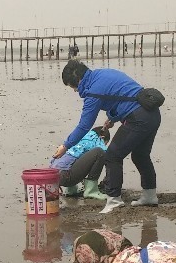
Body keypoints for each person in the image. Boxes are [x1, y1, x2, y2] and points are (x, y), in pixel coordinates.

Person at [54, 60, 161, 214]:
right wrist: (112, 118)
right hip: (152, 114)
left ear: (78, 80)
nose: (74, 91)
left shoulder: (92, 92)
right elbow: (123, 95)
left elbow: (84, 126)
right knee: (141, 156)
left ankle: (114, 200)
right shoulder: (103, 74)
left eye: (72, 87)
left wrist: (65, 145)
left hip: (138, 118)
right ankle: (150, 196)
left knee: (112, 156)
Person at [52, 126, 109, 200]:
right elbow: (106, 153)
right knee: (99, 152)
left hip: (54, 176)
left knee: (76, 156)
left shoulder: (80, 137)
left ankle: (71, 190)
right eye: (106, 143)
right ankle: (91, 191)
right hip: (66, 177)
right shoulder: (95, 139)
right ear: (102, 137)